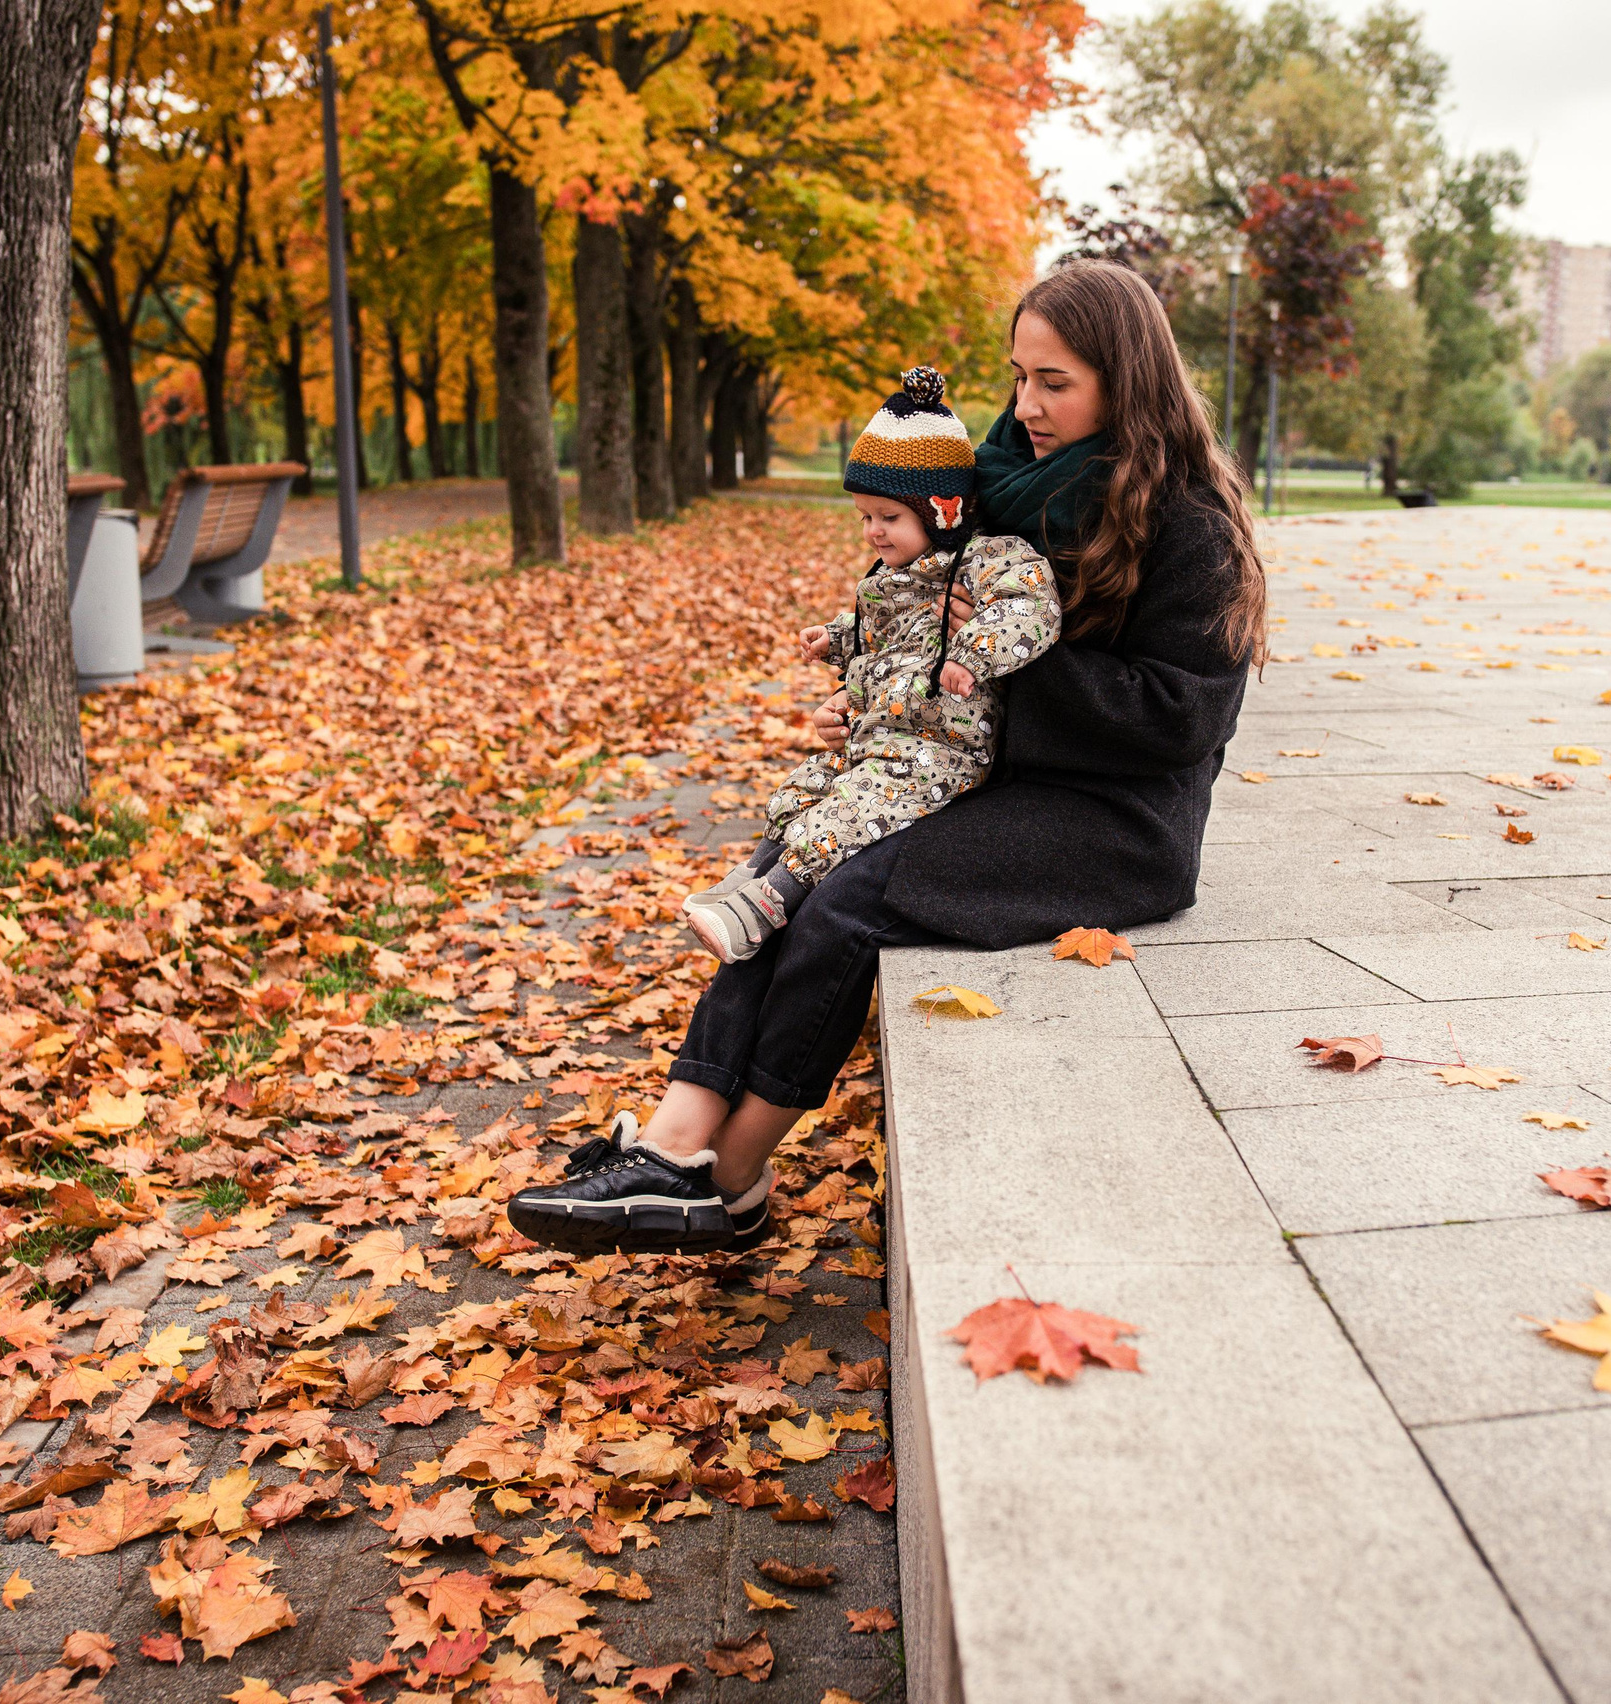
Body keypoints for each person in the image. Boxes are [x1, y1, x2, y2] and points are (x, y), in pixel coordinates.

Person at [505, 260, 1266, 1257]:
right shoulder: (993, 483)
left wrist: (1001, 665)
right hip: (987, 771)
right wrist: (878, 695)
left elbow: (1175, 721)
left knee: (854, 892)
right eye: (1018, 376)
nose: (1027, 405)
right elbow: (906, 605)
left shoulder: (1188, 527)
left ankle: (727, 1183)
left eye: (1055, 382)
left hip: (1117, 820)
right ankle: (674, 1139)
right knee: (794, 858)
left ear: (1128, 382)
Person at [682, 366, 1060, 964]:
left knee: (855, 809)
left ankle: (770, 902)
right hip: (883, 729)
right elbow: (880, 637)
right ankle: (752, 875)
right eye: (864, 516)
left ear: (942, 511)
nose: (873, 533)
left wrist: (971, 655)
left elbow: (1031, 607)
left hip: (939, 747)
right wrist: (836, 641)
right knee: (809, 785)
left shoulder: (987, 561)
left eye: (888, 517)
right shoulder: (891, 578)